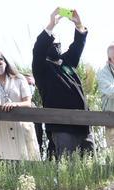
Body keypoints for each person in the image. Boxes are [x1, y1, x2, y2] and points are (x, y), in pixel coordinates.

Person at [32, 7, 91, 158]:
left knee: (90, 167)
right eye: (52, 43)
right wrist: (51, 25)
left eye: (57, 43)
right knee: (67, 167)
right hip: (61, 126)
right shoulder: (41, 68)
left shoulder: (66, 63)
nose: (55, 46)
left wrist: (78, 25)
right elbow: (38, 49)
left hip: (83, 125)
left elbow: (77, 46)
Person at [0, 49, 40, 160]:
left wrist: (16, 104)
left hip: (21, 125)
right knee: (5, 160)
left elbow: (28, 102)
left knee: (27, 159)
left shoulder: (19, 79)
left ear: (5, 62)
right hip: (1, 128)